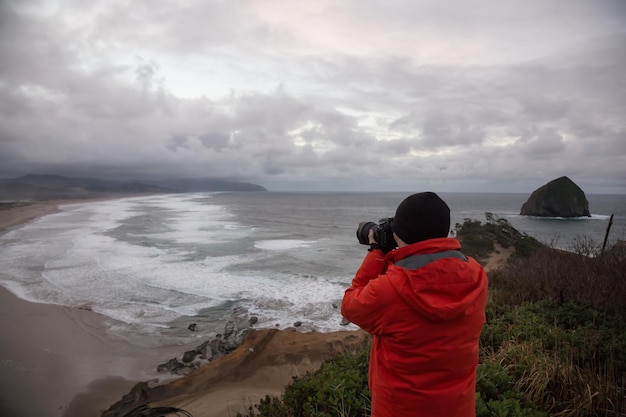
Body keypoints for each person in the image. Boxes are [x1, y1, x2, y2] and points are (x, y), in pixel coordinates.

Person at [341, 192, 488, 417]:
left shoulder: (390, 290)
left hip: (399, 410)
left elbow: (350, 305)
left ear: (398, 233)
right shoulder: (477, 276)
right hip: (458, 408)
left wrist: (377, 252)